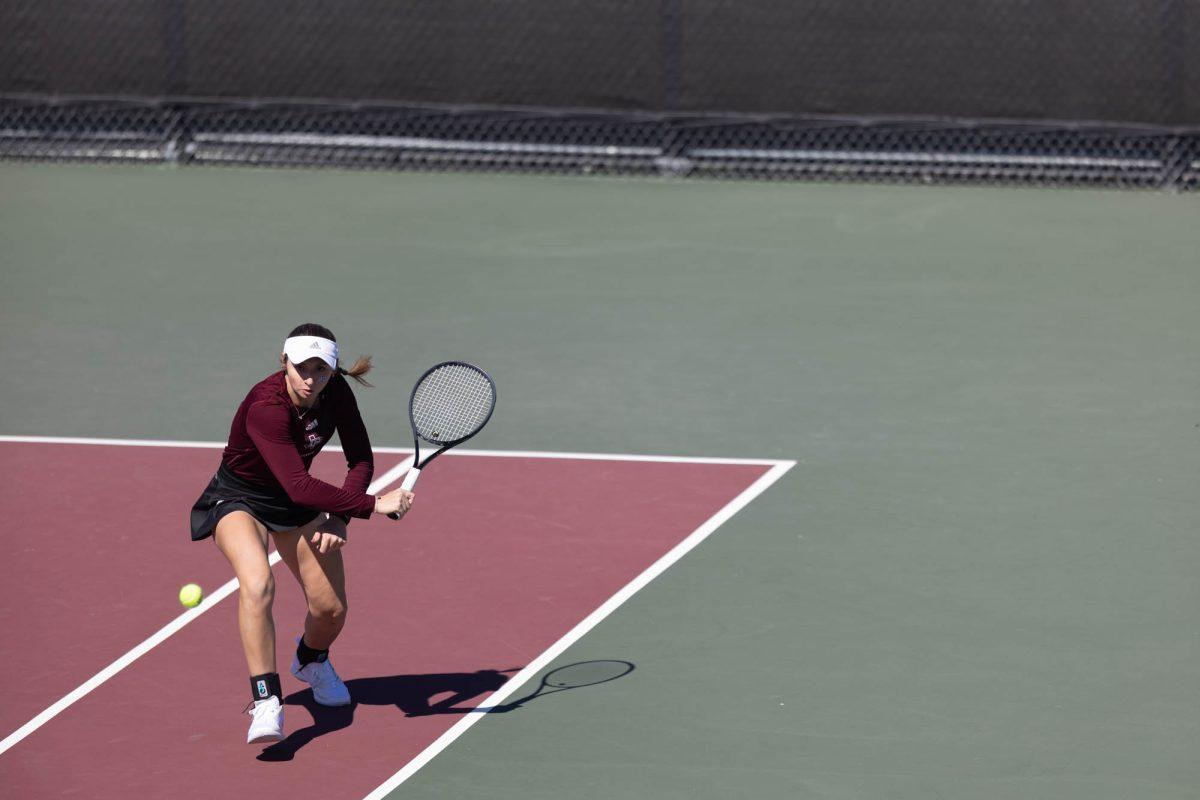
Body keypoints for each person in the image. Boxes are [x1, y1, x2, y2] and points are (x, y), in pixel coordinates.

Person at [189, 323, 413, 744]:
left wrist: (340, 518)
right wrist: (370, 505)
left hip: (295, 504)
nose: (311, 379)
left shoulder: (335, 393)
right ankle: (266, 699)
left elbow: (360, 457)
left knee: (330, 609)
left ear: (333, 371)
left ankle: (311, 661)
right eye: (302, 368)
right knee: (258, 585)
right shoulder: (265, 406)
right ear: (284, 362)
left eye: (321, 370)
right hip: (239, 499)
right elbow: (297, 484)